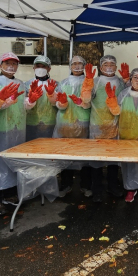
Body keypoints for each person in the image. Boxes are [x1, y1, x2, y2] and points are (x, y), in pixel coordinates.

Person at [106, 68, 138, 202]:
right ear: (130, 79)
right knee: (129, 163)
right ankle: (130, 188)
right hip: (127, 133)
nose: (137, 80)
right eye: (135, 77)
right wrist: (112, 100)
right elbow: (116, 112)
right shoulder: (123, 93)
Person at [0, 53, 26, 215]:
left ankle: (9, 194)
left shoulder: (21, 84)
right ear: (0, 64)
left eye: (14, 64)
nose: (11, 66)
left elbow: (25, 106)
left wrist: (31, 101)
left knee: (13, 163)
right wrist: (5, 100)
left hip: (17, 129)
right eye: (7, 63)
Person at [87, 55, 126, 202]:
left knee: (113, 158)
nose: (109, 66)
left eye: (112, 64)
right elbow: (86, 99)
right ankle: (96, 188)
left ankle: (112, 185)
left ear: (116, 67)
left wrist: (127, 80)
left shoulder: (120, 82)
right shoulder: (96, 82)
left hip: (115, 124)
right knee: (96, 158)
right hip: (97, 124)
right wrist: (87, 83)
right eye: (106, 64)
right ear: (101, 67)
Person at [53, 56, 92, 197]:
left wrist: (83, 102)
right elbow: (57, 104)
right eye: (74, 63)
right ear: (69, 66)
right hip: (65, 124)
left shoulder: (89, 83)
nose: (77, 66)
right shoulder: (62, 83)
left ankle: (86, 185)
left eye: (80, 63)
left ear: (84, 65)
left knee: (85, 156)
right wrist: (62, 103)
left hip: (84, 123)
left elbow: (92, 103)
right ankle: (66, 184)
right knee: (65, 155)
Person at [24, 56, 58, 142]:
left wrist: (52, 95)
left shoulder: (56, 85)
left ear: (49, 69)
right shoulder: (26, 85)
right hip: (31, 122)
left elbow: (59, 105)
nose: (40, 69)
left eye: (43, 67)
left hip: (50, 123)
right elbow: (23, 106)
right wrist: (30, 100)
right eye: (38, 66)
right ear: (33, 68)